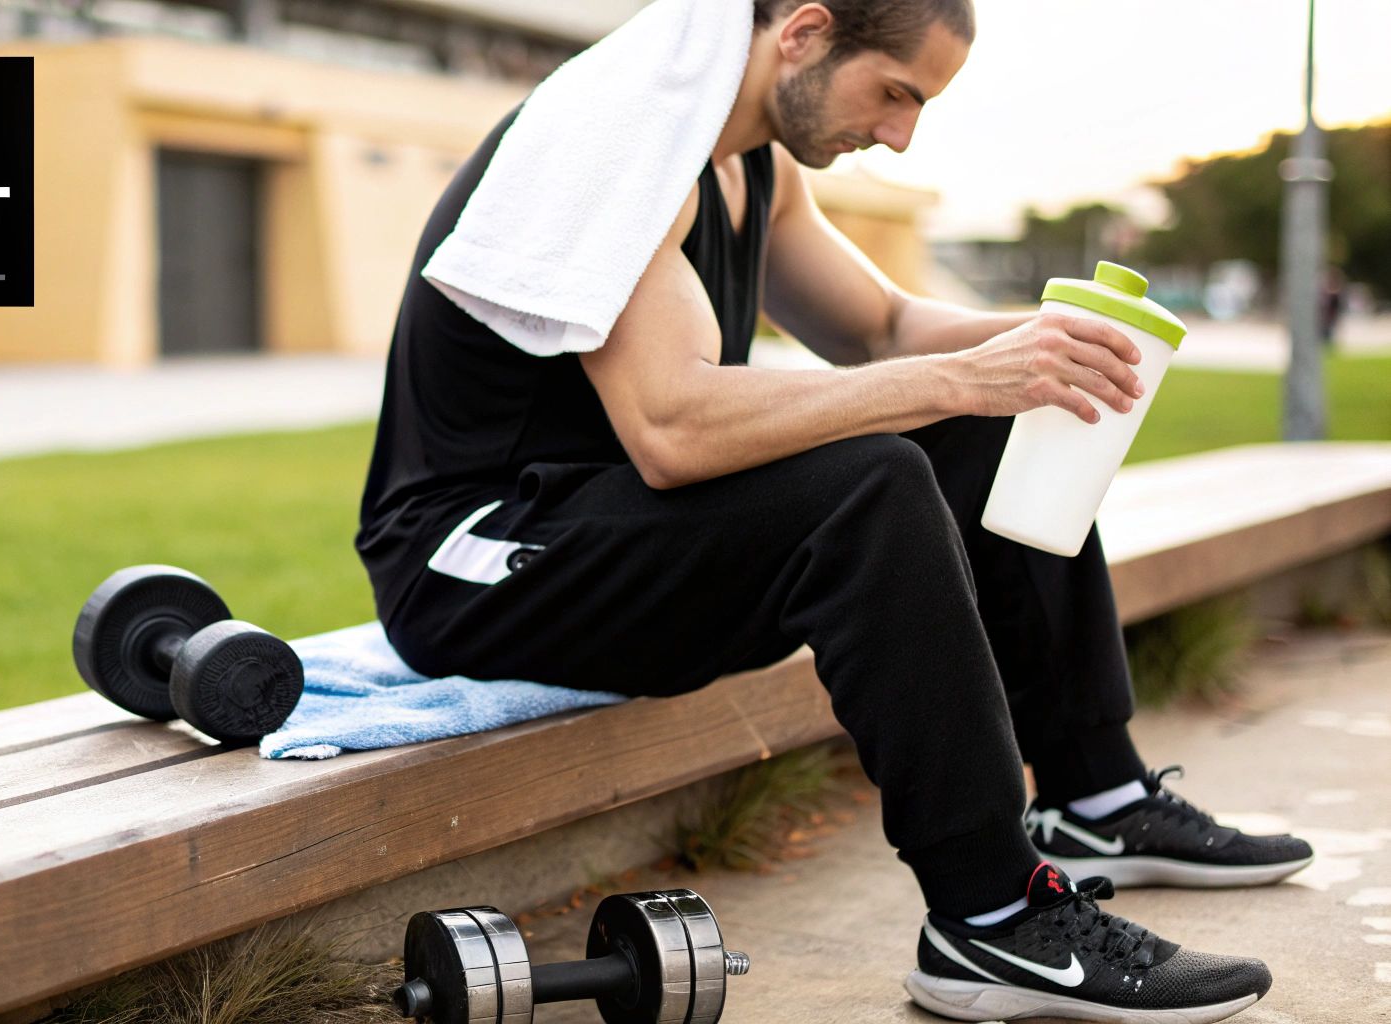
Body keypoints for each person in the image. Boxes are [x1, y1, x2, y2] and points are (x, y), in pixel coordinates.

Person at [356, 1, 1311, 1020]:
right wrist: (959, 379)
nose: (899, 134)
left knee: (993, 424)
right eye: (894, 93)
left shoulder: (744, 159)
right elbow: (670, 426)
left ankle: (1098, 798)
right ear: (804, 32)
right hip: (474, 559)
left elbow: (882, 325)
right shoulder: (621, 132)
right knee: (874, 480)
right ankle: (989, 915)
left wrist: (1052, 344)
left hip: (609, 525)